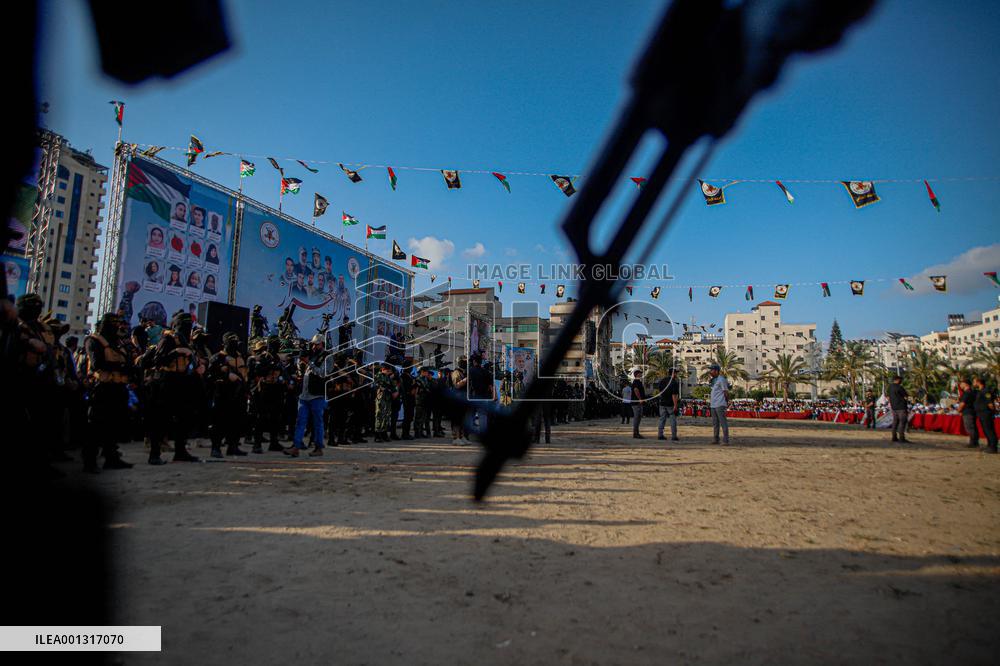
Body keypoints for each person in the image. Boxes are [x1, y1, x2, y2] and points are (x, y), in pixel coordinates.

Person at [83, 313, 134, 472]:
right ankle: (89, 462)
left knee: (114, 426)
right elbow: (97, 364)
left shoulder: (118, 343)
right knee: (96, 426)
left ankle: (112, 458)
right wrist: (120, 367)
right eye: (113, 324)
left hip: (118, 388)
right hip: (102, 388)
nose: (117, 327)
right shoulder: (94, 340)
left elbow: (128, 364)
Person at [207, 332, 249, 458]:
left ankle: (233, 446)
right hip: (222, 394)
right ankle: (216, 448)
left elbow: (245, 375)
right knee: (219, 423)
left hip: (238, 396)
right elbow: (210, 376)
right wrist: (226, 376)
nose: (235, 345)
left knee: (236, 422)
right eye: (231, 342)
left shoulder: (241, 357)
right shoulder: (217, 358)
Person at [286, 335, 327, 457]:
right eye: (313, 344)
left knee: (318, 422)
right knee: (300, 421)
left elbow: (323, 373)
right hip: (304, 395)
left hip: (317, 395)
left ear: (323, 344)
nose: (314, 346)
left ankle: (318, 447)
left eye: (317, 344)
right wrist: (302, 363)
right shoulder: (312, 354)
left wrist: (309, 362)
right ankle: (296, 446)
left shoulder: (327, 357)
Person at [971, 376, 997, 454]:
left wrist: (991, 412)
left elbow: (990, 403)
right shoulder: (980, 391)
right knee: (986, 430)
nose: (973, 383)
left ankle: (993, 447)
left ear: (978, 382)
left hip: (986, 413)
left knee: (989, 430)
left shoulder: (986, 391)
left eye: (974, 381)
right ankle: (989, 445)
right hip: (981, 414)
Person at [374, 363, 399, 442]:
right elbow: (382, 386)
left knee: (386, 416)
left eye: (390, 371)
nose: (389, 372)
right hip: (381, 399)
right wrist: (392, 391)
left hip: (387, 399)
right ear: (383, 369)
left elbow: (392, 385)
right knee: (379, 416)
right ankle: (377, 434)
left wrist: (394, 391)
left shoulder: (387, 377)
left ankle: (384, 433)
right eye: (388, 371)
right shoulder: (378, 376)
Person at [657, 367, 681, 442]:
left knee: (662, 419)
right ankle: (674, 436)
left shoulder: (662, 381)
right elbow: (674, 395)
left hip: (662, 403)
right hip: (670, 404)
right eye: (676, 373)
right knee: (673, 419)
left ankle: (660, 434)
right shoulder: (674, 382)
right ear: (673, 373)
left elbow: (660, 391)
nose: (677, 374)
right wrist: (675, 405)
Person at [708, 364, 730, 444]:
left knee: (723, 422)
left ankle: (725, 440)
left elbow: (726, 392)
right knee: (715, 423)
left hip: (720, 404)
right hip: (713, 404)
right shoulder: (714, 380)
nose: (710, 372)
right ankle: (716, 439)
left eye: (712, 370)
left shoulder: (721, 379)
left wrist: (726, 402)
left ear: (716, 371)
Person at [956, 378, 979, 449]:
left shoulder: (967, 393)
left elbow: (962, 403)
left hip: (967, 412)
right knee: (973, 427)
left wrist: (959, 410)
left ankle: (973, 443)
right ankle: (975, 442)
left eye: (961, 383)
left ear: (966, 384)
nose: (960, 385)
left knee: (969, 428)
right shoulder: (974, 392)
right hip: (973, 411)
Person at [887, 375, 909, 443]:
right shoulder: (900, 387)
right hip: (901, 407)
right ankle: (902, 438)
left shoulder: (890, 387)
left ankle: (894, 437)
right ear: (897, 380)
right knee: (902, 422)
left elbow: (888, 397)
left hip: (894, 407)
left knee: (895, 422)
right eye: (900, 380)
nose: (901, 381)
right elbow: (905, 397)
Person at [630, 370, 645, 438]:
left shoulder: (639, 382)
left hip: (637, 403)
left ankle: (636, 432)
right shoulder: (636, 382)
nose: (641, 374)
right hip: (636, 403)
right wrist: (640, 399)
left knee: (638, 417)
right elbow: (636, 390)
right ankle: (635, 433)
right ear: (637, 374)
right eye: (640, 373)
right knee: (637, 418)